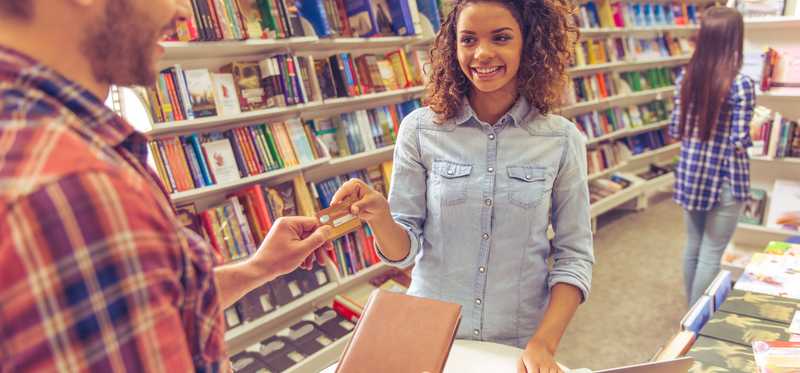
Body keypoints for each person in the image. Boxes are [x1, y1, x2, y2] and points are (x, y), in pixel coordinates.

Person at [0, 1, 331, 371]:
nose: (184, 13)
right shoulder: (78, 188)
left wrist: (259, 269)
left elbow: (148, 304)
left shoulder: (38, 140)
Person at [331, 1, 594, 372]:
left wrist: (543, 344)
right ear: (453, 48)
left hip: (517, 342)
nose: (482, 53)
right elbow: (403, 251)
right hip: (429, 334)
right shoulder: (420, 130)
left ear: (529, 44)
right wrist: (380, 216)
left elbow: (574, 256)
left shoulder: (561, 140)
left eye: (501, 38)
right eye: (468, 39)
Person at [668, 6, 755, 306]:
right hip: (726, 178)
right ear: (734, 39)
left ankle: (690, 314)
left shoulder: (685, 78)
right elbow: (739, 140)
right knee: (712, 252)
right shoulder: (740, 83)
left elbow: (674, 126)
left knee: (693, 246)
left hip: (692, 174)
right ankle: (697, 321)